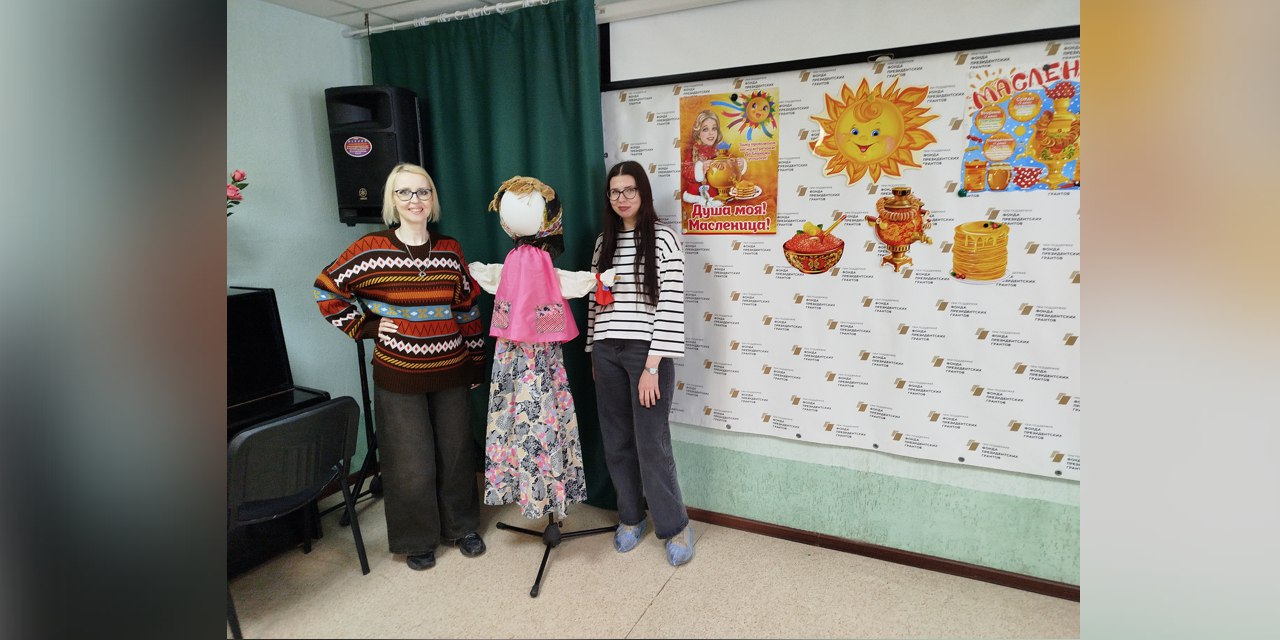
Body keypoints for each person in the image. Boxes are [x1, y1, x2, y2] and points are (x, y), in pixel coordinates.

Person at [313, 163, 488, 571]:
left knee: (457, 454)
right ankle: (417, 539)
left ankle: (462, 527)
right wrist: (366, 326)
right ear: (392, 200)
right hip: (399, 373)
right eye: (405, 192)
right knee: (409, 461)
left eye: (423, 192)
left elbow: (466, 308)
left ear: (433, 199)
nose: (415, 200)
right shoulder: (370, 249)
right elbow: (326, 290)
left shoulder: (450, 249)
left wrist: (476, 362)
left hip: (451, 368)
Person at [586, 160, 694, 566]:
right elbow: (596, 301)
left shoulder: (664, 238)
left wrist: (651, 367)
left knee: (652, 443)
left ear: (643, 193)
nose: (622, 198)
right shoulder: (604, 242)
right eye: (615, 191)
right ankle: (631, 517)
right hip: (606, 351)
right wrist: (593, 350)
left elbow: (671, 304)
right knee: (616, 440)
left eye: (629, 190)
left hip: (647, 353)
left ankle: (675, 525)